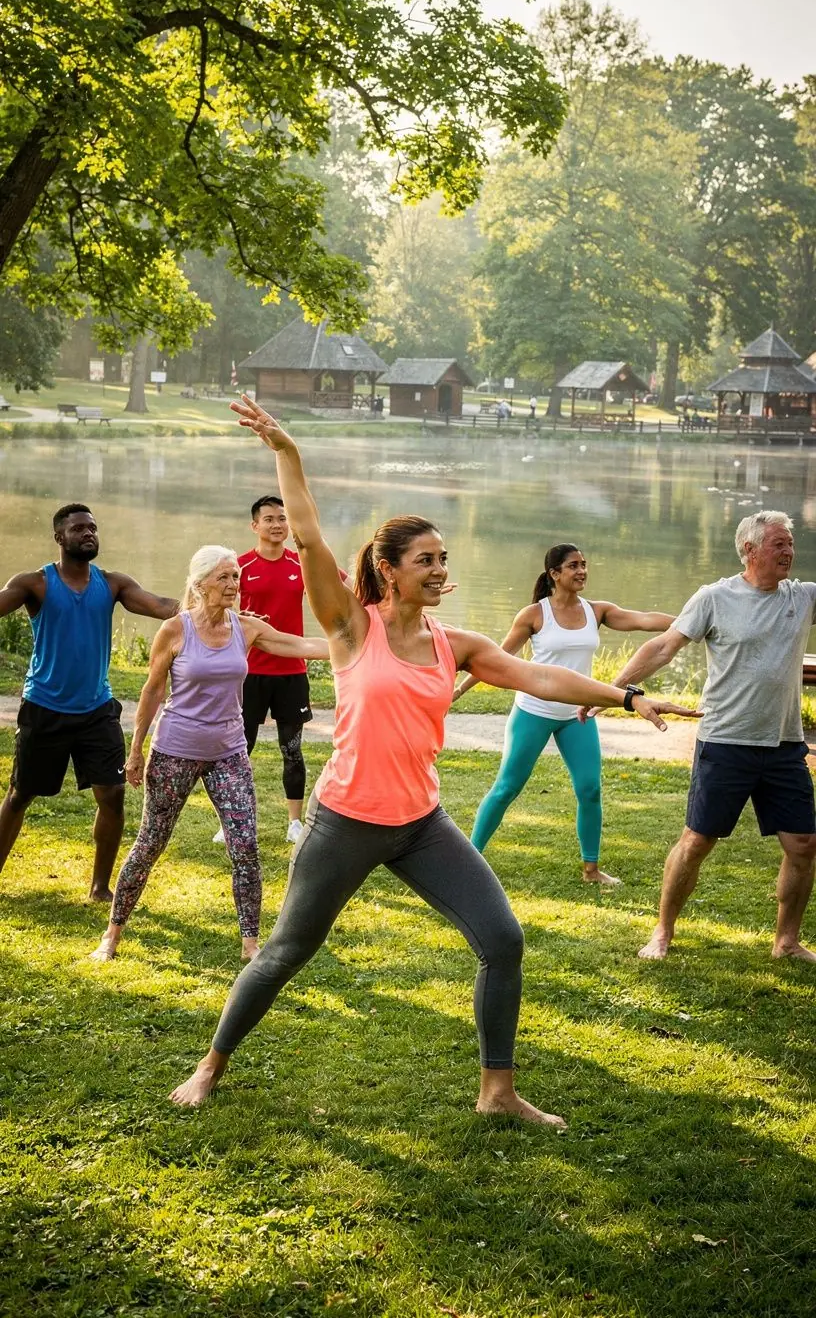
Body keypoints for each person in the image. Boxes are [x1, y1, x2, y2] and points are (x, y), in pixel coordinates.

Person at [169, 395, 696, 1122]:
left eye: (444, 558)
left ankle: (497, 1090)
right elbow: (313, 540)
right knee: (286, 951)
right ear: (389, 570)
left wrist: (627, 695)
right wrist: (286, 452)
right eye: (427, 560)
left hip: (419, 823)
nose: (441, 570)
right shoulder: (353, 627)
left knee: (502, 939)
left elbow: (543, 677)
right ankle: (210, 1065)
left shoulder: (456, 644)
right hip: (346, 820)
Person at [91, 546, 329, 963]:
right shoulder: (174, 630)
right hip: (175, 751)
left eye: (236, 576)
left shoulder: (247, 628)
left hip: (229, 753)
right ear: (200, 584)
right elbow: (151, 692)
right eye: (223, 577)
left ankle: (250, 945)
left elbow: (302, 645)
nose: (233, 584)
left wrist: (362, 640)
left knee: (245, 846)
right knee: (150, 843)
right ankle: (112, 934)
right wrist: (135, 752)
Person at [608, 510, 816, 961]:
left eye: (790, 544)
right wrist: (614, 689)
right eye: (779, 544)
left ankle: (786, 941)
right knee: (697, 841)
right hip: (726, 741)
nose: (789, 552)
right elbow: (662, 646)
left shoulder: (803, 598)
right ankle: (662, 931)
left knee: (803, 844)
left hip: (783, 745)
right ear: (750, 549)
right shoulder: (714, 598)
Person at [456, 544, 676, 885]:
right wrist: (459, 690)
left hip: (578, 716)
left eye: (584, 564)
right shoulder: (534, 615)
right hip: (534, 711)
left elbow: (644, 620)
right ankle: (468, 863)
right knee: (506, 788)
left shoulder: (597, 611)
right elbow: (497, 657)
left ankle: (591, 870)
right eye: (574, 566)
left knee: (590, 789)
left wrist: (692, 623)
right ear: (554, 574)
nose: (582, 570)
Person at [0, 504, 177, 901]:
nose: (89, 533)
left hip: (97, 710)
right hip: (44, 707)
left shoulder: (112, 584)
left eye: (93, 527)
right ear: (59, 537)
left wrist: (209, 606)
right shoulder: (35, 583)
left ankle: (100, 887)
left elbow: (161, 606)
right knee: (20, 794)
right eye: (79, 528)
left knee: (112, 794)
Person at [212, 494, 336, 847]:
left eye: (283, 518)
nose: (278, 524)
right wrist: (241, 620)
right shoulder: (239, 566)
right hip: (248, 673)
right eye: (269, 519)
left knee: (292, 750)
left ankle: (295, 823)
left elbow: (347, 587)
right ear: (255, 526)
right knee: (239, 749)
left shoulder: (302, 563)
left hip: (291, 672)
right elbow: (211, 606)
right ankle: (228, 821)